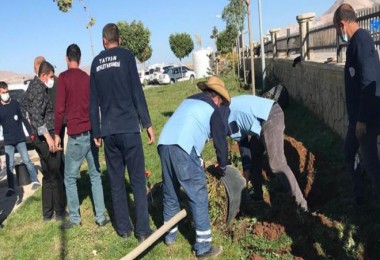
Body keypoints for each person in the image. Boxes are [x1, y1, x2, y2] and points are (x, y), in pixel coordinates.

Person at [89, 23, 155, 241]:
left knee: (116, 182)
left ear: (103, 41)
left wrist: (96, 132)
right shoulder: (126, 57)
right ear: (119, 39)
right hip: (128, 128)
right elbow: (137, 92)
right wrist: (147, 123)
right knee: (136, 180)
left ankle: (124, 229)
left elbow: (93, 102)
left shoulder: (96, 63)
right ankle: (143, 230)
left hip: (108, 131)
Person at [158, 76, 229, 258]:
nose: (220, 106)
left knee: (171, 192)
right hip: (182, 147)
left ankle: (170, 236)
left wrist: (196, 159)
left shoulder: (189, 100)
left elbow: (188, 127)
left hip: (165, 142)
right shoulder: (213, 109)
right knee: (198, 194)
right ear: (216, 98)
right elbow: (220, 143)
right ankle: (204, 246)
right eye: (220, 102)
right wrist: (222, 165)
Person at [55, 44, 109, 229]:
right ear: (80, 58)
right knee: (95, 175)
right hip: (92, 133)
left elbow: (60, 109)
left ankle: (75, 219)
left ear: (66, 58)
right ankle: (100, 217)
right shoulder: (87, 78)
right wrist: (98, 131)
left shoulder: (63, 78)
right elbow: (96, 105)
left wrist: (56, 134)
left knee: (69, 178)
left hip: (77, 136)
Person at [223, 95, 308, 211]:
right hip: (260, 123)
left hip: (270, 116)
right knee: (254, 154)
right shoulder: (225, 113)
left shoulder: (226, 117)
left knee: (277, 164)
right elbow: (244, 146)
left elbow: (235, 141)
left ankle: (301, 205)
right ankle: (257, 196)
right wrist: (246, 171)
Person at [333, 4, 380, 205]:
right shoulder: (356, 43)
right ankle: (361, 196)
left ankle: (371, 201)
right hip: (359, 117)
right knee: (350, 153)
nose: (338, 33)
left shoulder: (361, 41)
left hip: (366, 118)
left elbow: (368, 80)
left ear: (342, 24)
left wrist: (361, 120)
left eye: (336, 28)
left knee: (371, 163)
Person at [21, 61, 67, 221]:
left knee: (47, 176)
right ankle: (60, 212)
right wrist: (49, 138)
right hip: (45, 137)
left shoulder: (32, 87)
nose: (52, 80)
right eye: (51, 77)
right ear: (43, 75)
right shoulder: (39, 89)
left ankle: (47, 214)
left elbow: (24, 108)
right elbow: (36, 115)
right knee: (55, 174)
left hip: (38, 138)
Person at [0, 81, 40, 197]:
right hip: (8, 141)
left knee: (27, 160)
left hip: (20, 138)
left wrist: (31, 131)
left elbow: (23, 119)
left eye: (7, 92)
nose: (6, 94)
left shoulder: (15, 104)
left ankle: (35, 180)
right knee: (9, 165)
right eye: (3, 92)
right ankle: (11, 188)